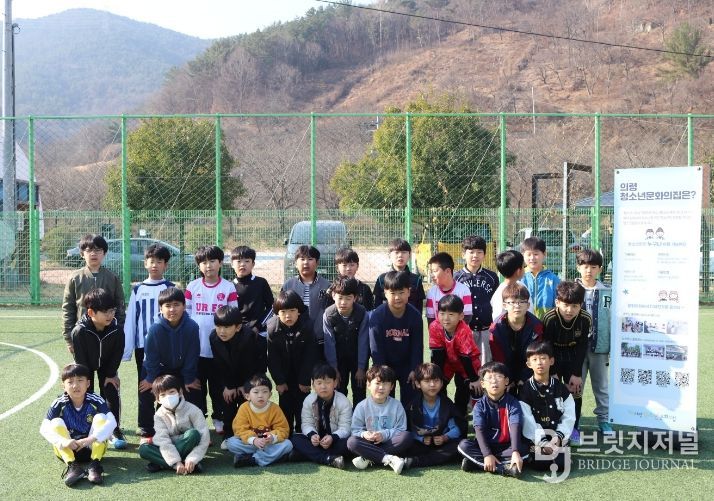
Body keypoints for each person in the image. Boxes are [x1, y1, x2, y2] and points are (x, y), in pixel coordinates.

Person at [122, 243, 174, 440]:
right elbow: (131, 320)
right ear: (145, 264)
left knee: (165, 385)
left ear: (165, 265)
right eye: (151, 261)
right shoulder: (138, 290)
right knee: (145, 385)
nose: (155, 265)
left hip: (166, 347)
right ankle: (145, 426)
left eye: (159, 262)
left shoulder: (170, 288)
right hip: (143, 347)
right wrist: (127, 350)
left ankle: (166, 425)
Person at [185, 245, 238, 434]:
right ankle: (200, 420)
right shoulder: (192, 287)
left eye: (212, 261)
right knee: (197, 388)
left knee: (218, 387)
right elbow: (187, 314)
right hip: (197, 349)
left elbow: (233, 315)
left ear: (220, 263)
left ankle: (219, 417)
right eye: (204, 262)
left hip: (219, 349)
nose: (208, 266)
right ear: (199, 265)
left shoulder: (228, 287)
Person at [139, 287, 202, 442]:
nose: (172, 309)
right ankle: (147, 430)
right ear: (161, 308)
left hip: (181, 368)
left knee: (194, 388)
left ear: (184, 306)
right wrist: (151, 378)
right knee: (146, 391)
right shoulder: (155, 329)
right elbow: (151, 357)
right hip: (158, 368)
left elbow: (192, 354)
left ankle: (194, 428)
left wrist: (188, 378)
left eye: (176, 305)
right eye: (167, 306)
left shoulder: (192, 327)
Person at [40, 363, 117, 487]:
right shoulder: (59, 402)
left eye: (80, 380)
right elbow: (43, 428)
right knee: (55, 422)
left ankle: (95, 465)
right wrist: (64, 441)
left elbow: (112, 421)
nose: (75, 385)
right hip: (68, 448)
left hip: (90, 447)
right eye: (70, 382)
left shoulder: (95, 399)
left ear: (88, 383)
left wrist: (90, 439)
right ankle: (73, 466)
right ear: (63, 386)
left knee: (101, 418)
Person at [70, 288, 125, 449]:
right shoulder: (80, 331)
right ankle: (86, 429)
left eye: (112, 311)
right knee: (87, 394)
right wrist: (85, 380)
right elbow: (81, 361)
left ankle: (114, 430)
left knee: (110, 390)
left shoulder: (116, 329)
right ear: (91, 312)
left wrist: (111, 374)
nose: (110, 315)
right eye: (105, 312)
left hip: (107, 365)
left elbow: (117, 353)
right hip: (86, 365)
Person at [541, 281, 592, 446]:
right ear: (557, 302)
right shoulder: (549, 318)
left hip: (573, 355)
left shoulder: (585, 319)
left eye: (575, 306)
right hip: (553, 356)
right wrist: (553, 372)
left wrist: (576, 373)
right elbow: (547, 346)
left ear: (581, 305)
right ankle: (553, 428)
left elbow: (582, 346)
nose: (569, 310)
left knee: (575, 391)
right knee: (551, 392)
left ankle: (574, 428)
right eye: (566, 305)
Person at [209, 305, 267, 445]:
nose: (222, 331)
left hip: (253, 375)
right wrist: (229, 386)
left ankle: (249, 434)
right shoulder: (213, 337)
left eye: (226, 327)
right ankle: (228, 434)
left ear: (238, 327)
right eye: (218, 326)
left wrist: (244, 385)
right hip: (229, 375)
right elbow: (220, 363)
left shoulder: (249, 338)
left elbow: (250, 365)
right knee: (227, 399)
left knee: (245, 402)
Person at [458, 361, 528, 476]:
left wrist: (515, 451)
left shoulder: (513, 403)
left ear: (506, 381)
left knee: (525, 449)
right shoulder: (479, 405)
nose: (494, 381)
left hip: (507, 447)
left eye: (499, 377)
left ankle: (476, 463)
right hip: (485, 446)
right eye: (489, 378)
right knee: (463, 445)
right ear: (482, 384)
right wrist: (487, 454)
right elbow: (479, 430)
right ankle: (503, 469)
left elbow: (515, 426)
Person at [518, 341, 575, 474]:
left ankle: (563, 450)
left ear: (551, 361)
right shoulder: (525, 390)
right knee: (540, 464)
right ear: (528, 364)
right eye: (535, 359)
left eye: (543, 358)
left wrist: (558, 437)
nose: (539, 363)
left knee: (562, 464)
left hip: (557, 437)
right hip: (536, 439)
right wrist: (542, 442)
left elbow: (569, 415)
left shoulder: (560, 388)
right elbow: (527, 419)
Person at [62, 234, 124, 354]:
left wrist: (118, 330)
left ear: (104, 253)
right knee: (83, 366)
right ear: (82, 254)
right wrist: (69, 338)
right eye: (89, 250)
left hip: (108, 334)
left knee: (107, 366)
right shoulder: (75, 278)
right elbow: (68, 309)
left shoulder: (112, 278)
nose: (93, 253)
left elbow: (120, 307)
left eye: (98, 250)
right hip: (82, 334)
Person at [369, 270, 424, 407]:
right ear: (385, 293)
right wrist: (382, 371)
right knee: (385, 400)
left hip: (407, 364)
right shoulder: (377, 316)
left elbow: (417, 346)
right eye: (393, 293)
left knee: (411, 400)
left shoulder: (415, 316)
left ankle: (410, 420)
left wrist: (414, 369)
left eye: (401, 292)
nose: (397, 297)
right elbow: (376, 348)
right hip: (386, 364)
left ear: (409, 292)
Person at [575, 249, 614, 436]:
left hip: (600, 347)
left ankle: (604, 420)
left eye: (593, 267)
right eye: (584, 266)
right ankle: (574, 421)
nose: (588, 270)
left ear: (599, 269)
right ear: (578, 268)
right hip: (575, 348)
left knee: (601, 386)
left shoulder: (608, 291)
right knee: (575, 386)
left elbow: (612, 318)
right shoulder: (571, 290)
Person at [267, 290, 317, 434]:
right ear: (277, 313)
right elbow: (273, 359)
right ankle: (286, 434)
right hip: (284, 375)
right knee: (285, 407)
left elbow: (310, 356)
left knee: (303, 408)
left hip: (302, 374)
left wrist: (305, 380)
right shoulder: (272, 328)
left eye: (292, 311)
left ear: (299, 311)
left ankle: (303, 434)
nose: (288, 315)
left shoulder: (307, 326)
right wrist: (279, 381)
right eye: (283, 312)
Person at [347, 365, 412, 474]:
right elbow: (355, 430)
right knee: (352, 442)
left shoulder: (396, 405)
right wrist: (365, 434)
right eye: (377, 383)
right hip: (369, 443)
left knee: (407, 437)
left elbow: (401, 429)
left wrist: (383, 435)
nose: (381, 387)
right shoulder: (361, 406)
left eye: (385, 384)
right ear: (368, 384)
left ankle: (368, 457)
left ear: (392, 387)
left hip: (389, 443)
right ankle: (389, 459)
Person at [138, 375, 210, 474]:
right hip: (169, 447)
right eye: (163, 395)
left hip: (188, 446)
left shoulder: (193, 410)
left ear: (180, 392)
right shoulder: (158, 415)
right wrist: (176, 463)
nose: (168, 397)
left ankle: (161, 463)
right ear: (158, 399)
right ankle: (181, 465)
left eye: (171, 392)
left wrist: (193, 458)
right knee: (144, 449)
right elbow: (163, 441)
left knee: (193, 434)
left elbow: (204, 437)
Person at [403, 363, 466, 470]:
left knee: (461, 444)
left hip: (443, 444)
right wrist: (421, 439)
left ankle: (417, 461)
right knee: (405, 442)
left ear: (441, 383)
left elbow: (456, 428)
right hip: (421, 444)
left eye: (436, 381)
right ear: (418, 384)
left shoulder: (447, 404)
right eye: (427, 381)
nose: (432, 385)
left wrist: (445, 437)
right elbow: (410, 430)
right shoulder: (413, 406)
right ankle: (438, 458)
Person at [290, 364, 353, 469]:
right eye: (319, 383)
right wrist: (312, 435)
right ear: (313, 385)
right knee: (295, 438)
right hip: (316, 442)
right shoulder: (309, 400)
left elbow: (345, 428)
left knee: (350, 442)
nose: (323, 387)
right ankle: (328, 458)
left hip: (335, 441)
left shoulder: (343, 401)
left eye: (328, 382)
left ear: (335, 383)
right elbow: (306, 424)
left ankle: (308, 455)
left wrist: (332, 437)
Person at [428, 294, 481, 416]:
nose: (446, 318)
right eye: (442, 313)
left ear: (461, 316)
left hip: (467, 363)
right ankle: (444, 414)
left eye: (451, 314)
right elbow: (438, 354)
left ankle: (463, 417)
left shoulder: (464, 330)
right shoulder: (435, 326)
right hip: (447, 360)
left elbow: (465, 357)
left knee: (469, 389)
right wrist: (438, 377)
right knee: (439, 386)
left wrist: (473, 379)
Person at [226, 374, 293, 467]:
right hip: (252, 443)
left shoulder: (275, 408)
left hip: (268, 444)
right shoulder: (244, 408)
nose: (260, 396)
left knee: (288, 444)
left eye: (265, 392)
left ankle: (253, 459)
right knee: (231, 443)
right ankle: (270, 456)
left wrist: (272, 437)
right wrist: (253, 440)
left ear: (270, 394)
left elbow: (283, 429)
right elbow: (239, 429)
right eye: (256, 392)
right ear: (247, 396)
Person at [323, 276, 369, 406]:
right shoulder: (328, 314)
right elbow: (329, 343)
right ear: (333, 295)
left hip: (357, 358)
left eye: (348, 298)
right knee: (339, 391)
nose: (343, 302)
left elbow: (363, 341)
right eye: (340, 298)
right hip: (338, 360)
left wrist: (361, 368)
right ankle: (341, 418)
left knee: (359, 390)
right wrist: (334, 368)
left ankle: (358, 418)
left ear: (355, 298)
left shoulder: (362, 313)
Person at [489, 283, 543, 391]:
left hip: (529, 369)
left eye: (522, 302)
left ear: (528, 305)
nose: (517, 306)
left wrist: (524, 378)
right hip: (504, 370)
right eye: (512, 302)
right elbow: (498, 358)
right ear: (504, 305)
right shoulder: (496, 328)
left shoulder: (536, 326)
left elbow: (535, 355)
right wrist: (507, 379)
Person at [454, 235, 499, 365]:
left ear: (484, 255)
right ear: (463, 254)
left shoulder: (491, 277)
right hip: (464, 331)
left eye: (479, 252)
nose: (475, 256)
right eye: (471, 252)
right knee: (464, 366)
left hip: (486, 330)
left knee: (486, 366)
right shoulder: (456, 278)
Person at [282, 245, 332, 353]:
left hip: (319, 338)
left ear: (317, 263)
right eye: (302, 259)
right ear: (296, 263)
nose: (306, 262)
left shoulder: (326, 285)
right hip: (293, 338)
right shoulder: (288, 285)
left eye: (310, 259)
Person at [373, 238, 426, 314]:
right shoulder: (381, 279)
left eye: (404, 252)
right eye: (396, 252)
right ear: (389, 255)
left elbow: (419, 307)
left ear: (410, 255)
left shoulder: (416, 280)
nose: (400, 255)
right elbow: (377, 305)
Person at [230, 245, 274, 336]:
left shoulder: (261, 283)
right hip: (236, 331)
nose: (242, 264)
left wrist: (258, 327)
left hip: (259, 331)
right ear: (232, 264)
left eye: (247, 261)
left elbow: (272, 307)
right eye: (238, 261)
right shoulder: (229, 286)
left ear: (253, 264)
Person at [425, 251, 473, 326]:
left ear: (447, 271)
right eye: (431, 271)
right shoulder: (432, 292)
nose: (432, 275)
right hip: (439, 333)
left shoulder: (464, 290)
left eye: (434, 271)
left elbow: (467, 316)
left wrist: (453, 331)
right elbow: (431, 319)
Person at [520, 236, 561, 320]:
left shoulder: (553, 279)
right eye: (529, 254)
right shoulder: (519, 277)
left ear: (544, 254)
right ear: (523, 255)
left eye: (536, 254)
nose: (532, 258)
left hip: (547, 322)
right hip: (524, 323)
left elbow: (559, 303)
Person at [490, 249, 525, 321]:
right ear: (518, 271)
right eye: (523, 266)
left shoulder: (522, 285)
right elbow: (498, 319)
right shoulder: (501, 292)